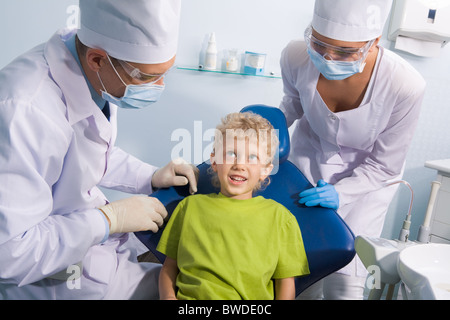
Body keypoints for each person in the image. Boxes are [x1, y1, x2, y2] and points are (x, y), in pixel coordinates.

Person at [0, 0, 198, 300]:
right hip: (53, 275)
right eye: (145, 77)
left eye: (164, 73)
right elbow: (10, 252)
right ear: (97, 60)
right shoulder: (26, 110)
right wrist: (109, 219)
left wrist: (152, 176)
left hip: (93, 249)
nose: (158, 86)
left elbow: (84, 153)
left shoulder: (90, 68)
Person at [279, 0, 426, 299]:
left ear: (374, 43)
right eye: (319, 44)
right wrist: (257, 132)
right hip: (306, 170)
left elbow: (384, 165)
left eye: (345, 52)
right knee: (297, 271)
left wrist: (341, 194)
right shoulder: (296, 55)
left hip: (365, 189)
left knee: (345, 282)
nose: (329, 56)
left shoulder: (404, 84)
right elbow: (291, 105)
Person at [157, 112, 310, 300]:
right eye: (231, 154)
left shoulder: (280, 218)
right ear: (214, 161)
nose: (239, 165)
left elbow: (286, 283)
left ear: (265, 170)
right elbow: (169, 267)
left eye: (252, 157)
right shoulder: (189, 207)